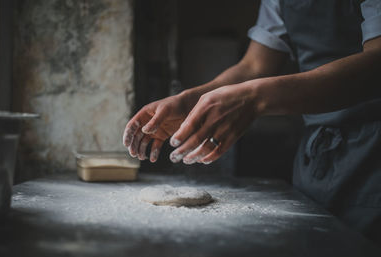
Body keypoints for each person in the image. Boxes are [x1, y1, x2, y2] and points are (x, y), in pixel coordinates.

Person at [123, 0, 381, 243]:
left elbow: (376, 63)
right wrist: (190, 100)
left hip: (373, 157)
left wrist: (255, 98)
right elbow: (254, 66)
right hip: (319, 155)